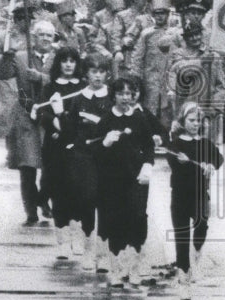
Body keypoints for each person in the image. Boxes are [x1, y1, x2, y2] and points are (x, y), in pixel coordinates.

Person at [94, 77, 165, 287]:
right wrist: (105, 143)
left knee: (136, 217)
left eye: (129, 93)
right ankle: (116, 269)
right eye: (121, 93)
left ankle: (134, 268)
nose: (126, 98)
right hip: (112, 179)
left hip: (137, 177)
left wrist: (147, 166)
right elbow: (94, 150)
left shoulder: (139, 118)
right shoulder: (106, 120)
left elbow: (149, 146)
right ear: (113, 96)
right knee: (115, 220)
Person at [0, 20, 56, 227]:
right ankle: (31, 211)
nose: (46, 39)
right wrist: (6, 56)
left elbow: (66, 81)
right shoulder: (21, 57)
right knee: (27, 166)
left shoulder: (60, 59)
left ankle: (44, 199)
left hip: (50, 118)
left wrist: (41, 77)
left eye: (49, 35)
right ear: (34, 36)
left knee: (51, 166)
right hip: (26, 117)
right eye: (41, 35)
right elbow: (1, 75)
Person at [166, 102, 224, 298]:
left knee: (202, 223)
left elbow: (219, 159)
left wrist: (211, 166)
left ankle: (196, 253)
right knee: (181, 234)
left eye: (198, 121)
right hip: (180, 194)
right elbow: (171, 158)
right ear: (182, 121)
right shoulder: (175, 143)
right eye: (191, 120)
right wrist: (179, 160)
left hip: (200, 193)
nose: (195, 124)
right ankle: (183, 277)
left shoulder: (206, 144)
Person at [62, 54, 113, 272]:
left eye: (101, 71)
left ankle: (102, 254)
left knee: (106, 203)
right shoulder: (78, 99)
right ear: (86, 74)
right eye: (93, 71)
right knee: (87, 201)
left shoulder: (112, 97)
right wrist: (73, 147)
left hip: (107, 157)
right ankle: (88, 249)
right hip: (84, 157)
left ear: (107, 74)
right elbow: (70, 129)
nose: (98, 76)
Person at [37, 47, 85, 258]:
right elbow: (41, 113)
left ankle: (77, 237)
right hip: (55, 145)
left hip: (75, 144)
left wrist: (68, 127)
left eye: (72, 61)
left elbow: (82, 115)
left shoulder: (83, 87)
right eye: (64, 61)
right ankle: (62, 240)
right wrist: (56, 124)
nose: (68, 64)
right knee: (58, 190)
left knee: (77, 189)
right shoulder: (50, 87)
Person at [128, 0, 182, 130]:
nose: (160, 17)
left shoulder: (175, 33)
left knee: (168, 110)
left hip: (170, 78)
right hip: (151, 78)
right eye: (156, 14)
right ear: (152, 15)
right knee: (150, 109)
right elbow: (137, 56)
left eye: (162, 13)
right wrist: (136, 76)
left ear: (168, 14)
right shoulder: (146, 33)